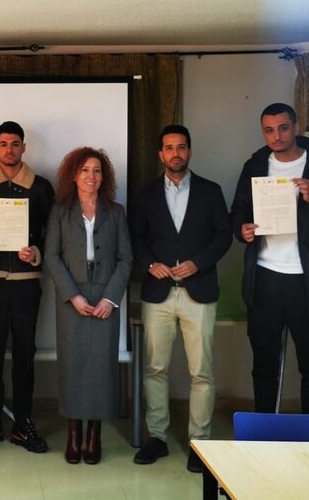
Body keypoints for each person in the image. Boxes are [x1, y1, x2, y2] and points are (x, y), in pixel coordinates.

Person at [230, 103, 309, 414]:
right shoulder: (255, 165)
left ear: (295, 127)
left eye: (283, 128)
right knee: (264, 363)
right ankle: (264, 432)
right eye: (269, 130)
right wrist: (241, 230)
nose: (276, 136)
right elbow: (238, 212)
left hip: (308, 281)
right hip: (265, 277)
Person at [129, 125, 231, 472]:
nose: (176, 153)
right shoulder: (144, 195)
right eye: (169, 148)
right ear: (160, 154)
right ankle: (157, 437)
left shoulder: (210, 191)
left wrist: (198, 263)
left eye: (182, 147)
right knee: (155, 368)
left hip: (198, 292)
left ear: (190, 151)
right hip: (158, 294)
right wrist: (149, 264)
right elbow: (136, 239)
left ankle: (199, 443)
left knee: (201, 371)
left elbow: (223, 236)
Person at [0, 121, 55, 454]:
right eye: (3, 144)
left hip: (26, 284)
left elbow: (53, 234)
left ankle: (23, 423)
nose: (9, 150)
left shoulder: (42, 187)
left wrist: (37, 253)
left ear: (24, 147)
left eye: (15, 144)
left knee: (24, 354)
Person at [44, 147, 132, 465]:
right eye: (84, 170)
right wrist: (74, 295)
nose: (91, 176)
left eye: (96, 170)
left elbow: (126, 258)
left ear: (103, 176)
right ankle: (73, 434)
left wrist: (110, 298)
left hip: (105, 294)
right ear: (74, 175)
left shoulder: (116, 212)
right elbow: (51, 257)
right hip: (72, 297)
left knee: (101, 368)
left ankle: (94, 435)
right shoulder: (60, 211)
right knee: (73, 365)